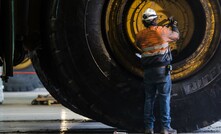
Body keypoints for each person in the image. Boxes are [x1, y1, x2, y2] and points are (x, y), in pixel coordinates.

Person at [135, 8, 180, 134]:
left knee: (149, 98)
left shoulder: (140, 35)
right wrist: (174, 26)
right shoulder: (162, 31)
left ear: (144, 22)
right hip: (162, 71)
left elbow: (139, 44)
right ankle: (165, 128)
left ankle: (149, 128)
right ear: (155, 19)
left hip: (148, 71)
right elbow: (176, 36)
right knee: (164, 98)